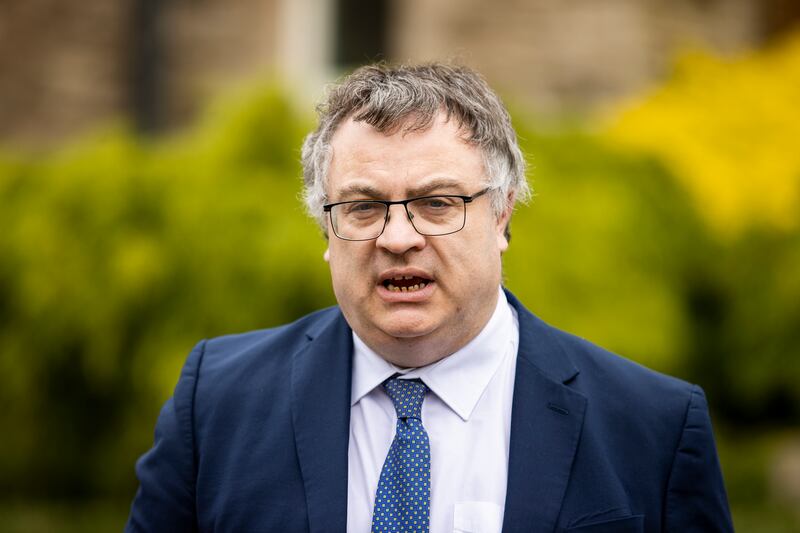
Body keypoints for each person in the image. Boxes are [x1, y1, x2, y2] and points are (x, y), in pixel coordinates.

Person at [126, 63, 733, 533]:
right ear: (325, 230)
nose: (397, 238)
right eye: (363, 207)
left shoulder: (652, 427)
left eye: (437, 203)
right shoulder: (216, 403)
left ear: (501, 216)